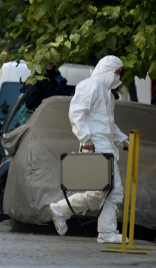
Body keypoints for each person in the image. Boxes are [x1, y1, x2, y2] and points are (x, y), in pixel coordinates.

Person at [49, 55, 129, 244]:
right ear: (107, 70)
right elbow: (76, 111)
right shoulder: (91, 85)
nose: (118, 77)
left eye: (119, 73)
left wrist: (123, 140)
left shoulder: (107, 93)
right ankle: (107, 233)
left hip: (104, 147)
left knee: (98, 194)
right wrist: (85, 138)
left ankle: (60, 209)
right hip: (97, 147)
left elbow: (107, 123)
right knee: (113, 190)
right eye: (116, 72)